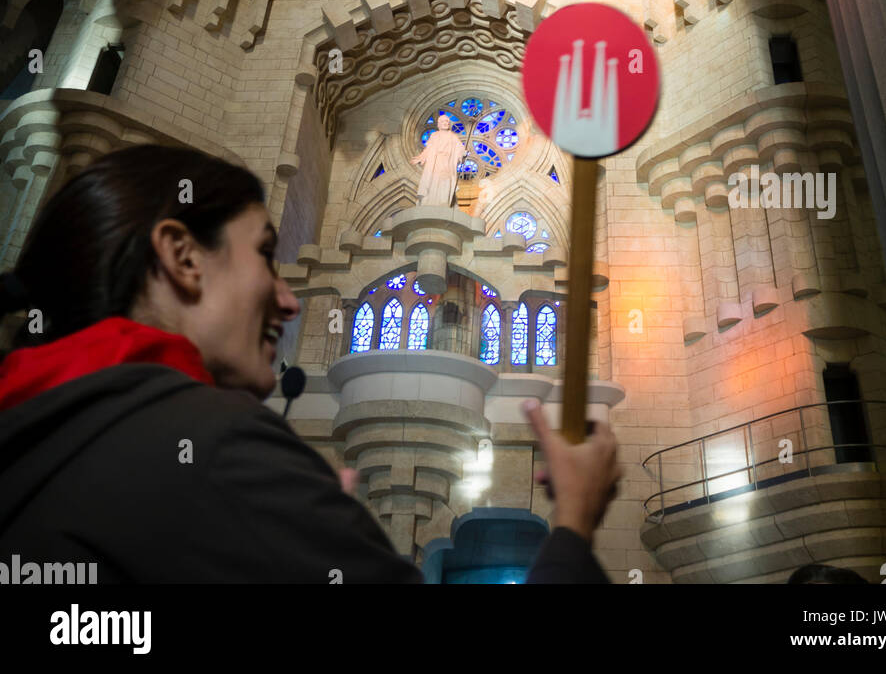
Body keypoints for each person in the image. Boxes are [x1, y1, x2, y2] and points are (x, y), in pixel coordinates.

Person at [0, 144, 620, 583]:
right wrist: (573, 522)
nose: (290, 298)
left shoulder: (36, 430)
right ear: (182, 256)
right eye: (266, 255)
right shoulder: (213, 443)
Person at [410, 113, 466, 207]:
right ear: (439, 124)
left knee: (446, 180)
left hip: (447, 162)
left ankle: (444, 202)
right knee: (433, 180)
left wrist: (462, 154)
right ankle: (430, 202)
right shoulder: (434, 135)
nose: (446, 123)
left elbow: (459, 148)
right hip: (435, 162)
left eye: (447, 122)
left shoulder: (453, 137)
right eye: (443, 121)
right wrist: (421, 157)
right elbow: (428, 149)